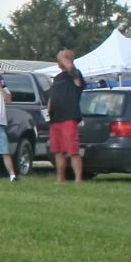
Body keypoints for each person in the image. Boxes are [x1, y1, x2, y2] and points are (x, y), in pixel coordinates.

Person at [45, 49, 87, 183]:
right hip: (55, 118)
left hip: (69, 118)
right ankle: (60, 179)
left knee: (73, 151)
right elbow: (52, 96)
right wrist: (48, 112)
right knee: (58, 151)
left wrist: (63, 57)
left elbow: (71, 69)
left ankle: (78, 179)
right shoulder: (57, 78)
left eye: (61, 59)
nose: (58, 61)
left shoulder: (75, 75)